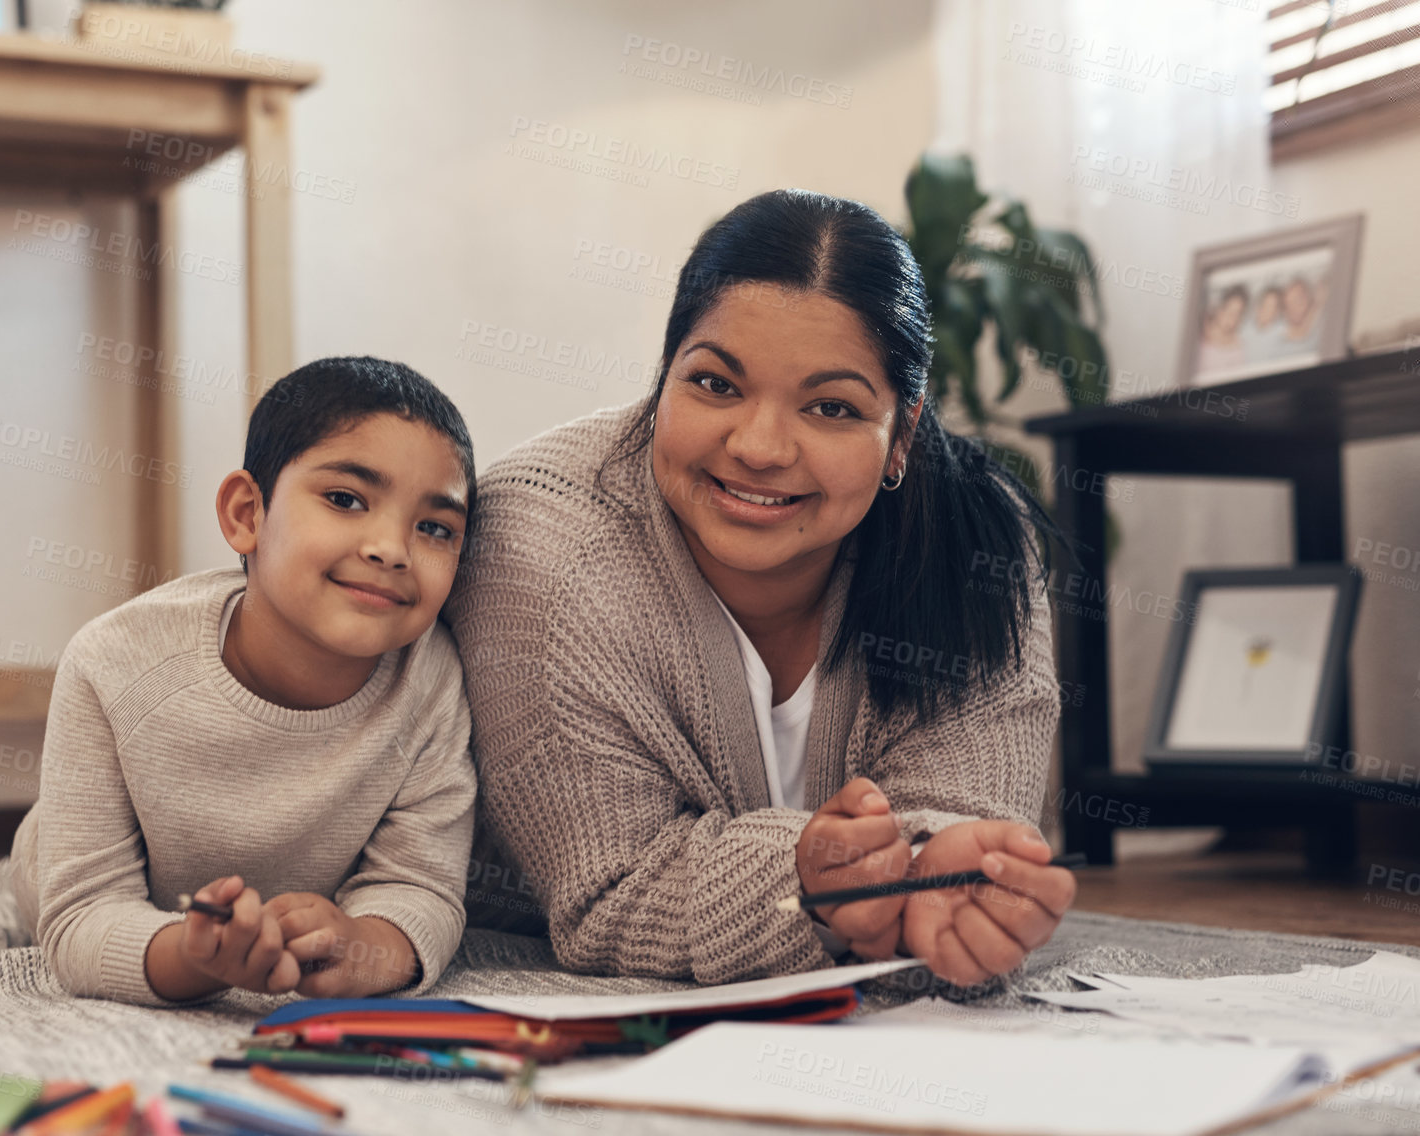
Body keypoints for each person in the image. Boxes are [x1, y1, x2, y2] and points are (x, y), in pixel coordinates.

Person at [443, 189, 1076, 989]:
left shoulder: (981, 541)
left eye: (831, 407)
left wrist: (944, 875)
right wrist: (809, 884)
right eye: (714, 385)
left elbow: (963, 822)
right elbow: (609, 892)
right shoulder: (541, 544)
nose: (759, 446)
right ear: (661, 376)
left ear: (901, 436)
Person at [4, 357, 479, 1006]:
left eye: (434, 528)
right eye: (344, 499)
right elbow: (82, 917)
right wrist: (195, 959)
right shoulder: (113, 664)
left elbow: (422, 885)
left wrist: (363, 946)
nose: (391, 547)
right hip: (79, 877)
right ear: (245, 515)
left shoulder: (431, 680)